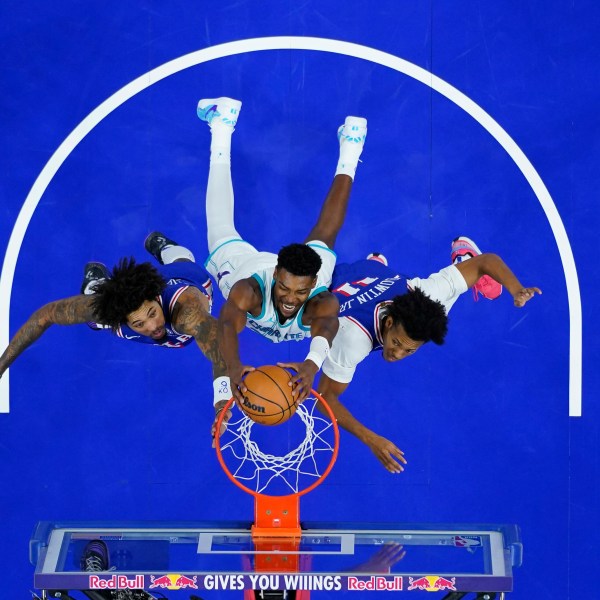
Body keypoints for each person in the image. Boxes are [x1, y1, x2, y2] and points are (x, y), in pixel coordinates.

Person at [317, 236, 542, 473]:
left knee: (437, 310)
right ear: (389, 321)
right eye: (396, 343)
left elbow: (486, 260)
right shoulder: (352, 339)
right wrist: (370, 439)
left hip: (380, 278)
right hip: (340, 281)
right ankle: (391, 266)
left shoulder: (427, 293)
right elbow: (324, 396)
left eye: (409, 350)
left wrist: (517, 290)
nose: (397, 354)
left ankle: (464, 258)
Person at [196, 96, 367, 404]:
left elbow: (327, 326)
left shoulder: (321, 300)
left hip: (302, 273)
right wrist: (233, 367)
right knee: (219, 228)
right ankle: (222, 126)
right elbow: (225, 325)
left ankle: (352, 144)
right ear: (276, 274)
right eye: (285, 288)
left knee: (325, 234)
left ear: (313, 285)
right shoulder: (248, 290)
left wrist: (311, 365)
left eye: (300, 292)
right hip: (247, 264)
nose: (290, 299)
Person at [0, 233, 231, 420]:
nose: (153, 327)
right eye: (139, 323)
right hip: (113, 306)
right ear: (125, 319)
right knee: (96, 318)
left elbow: (219, 347)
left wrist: (222, 401)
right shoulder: (111, 314)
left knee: (181, 261)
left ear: (155, 299)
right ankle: (97, 284)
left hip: (188, 277)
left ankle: (163, 246)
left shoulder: (186, 312)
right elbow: (45, 316)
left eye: (152, 313)